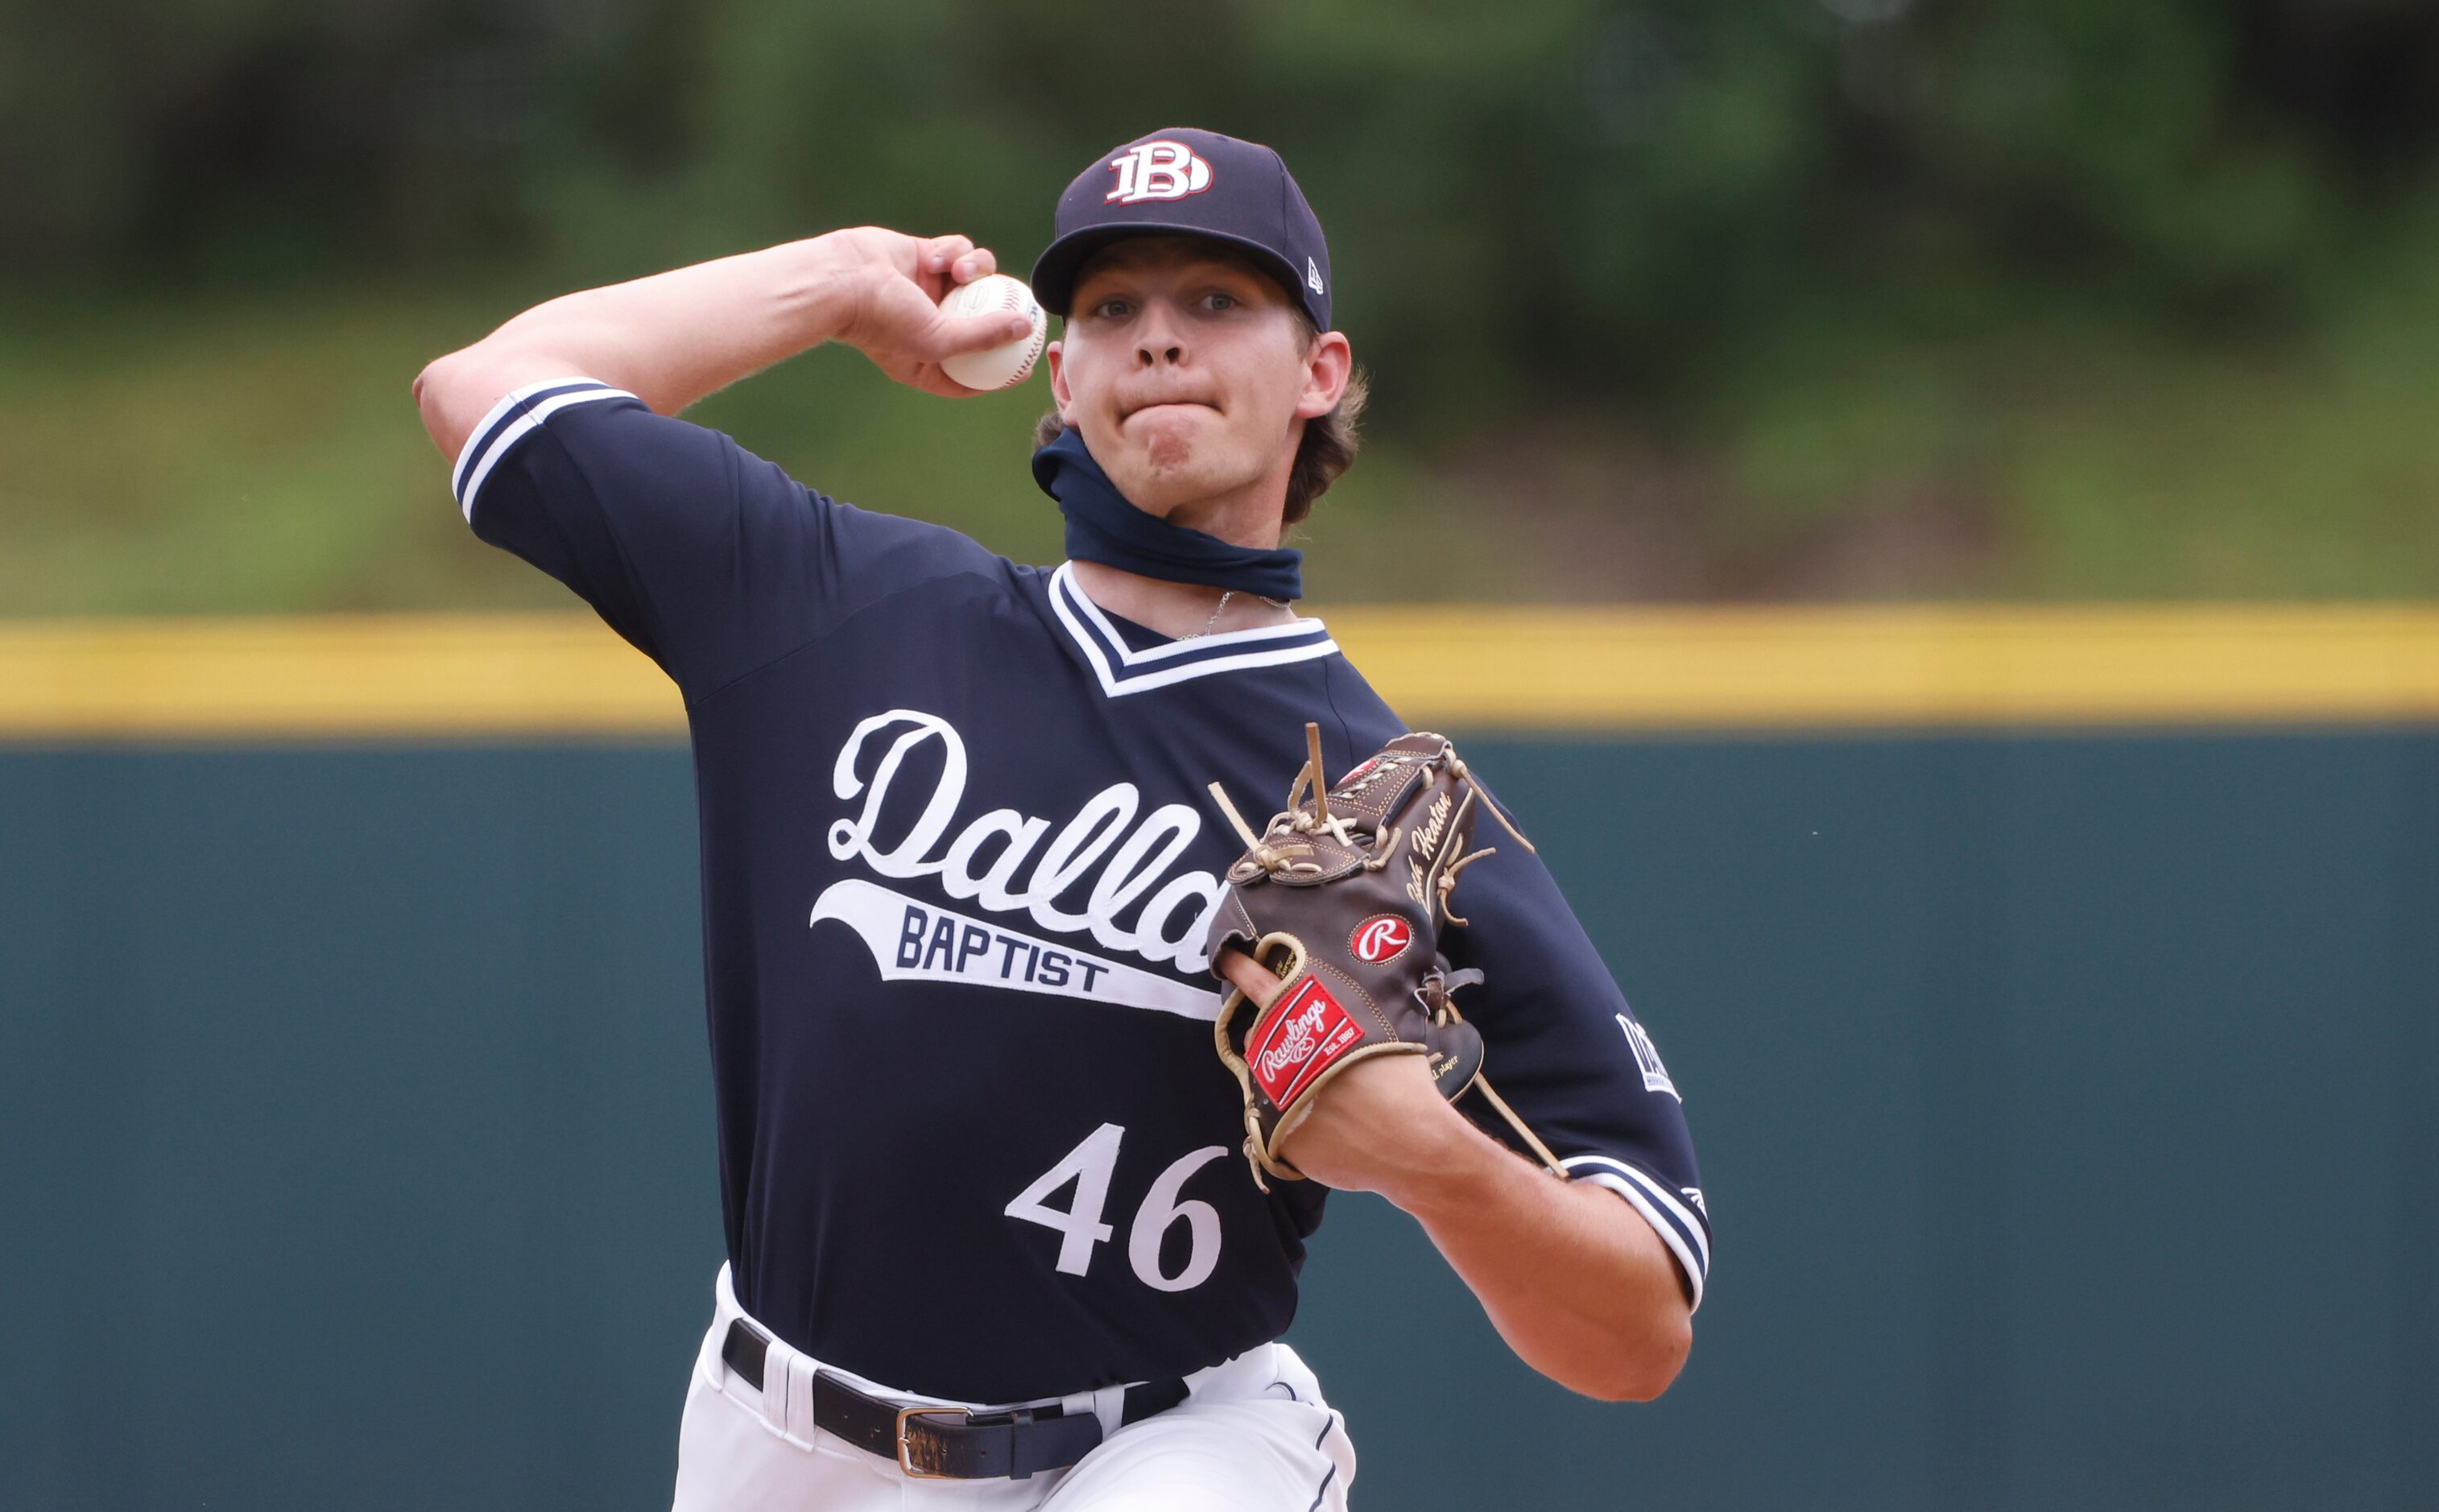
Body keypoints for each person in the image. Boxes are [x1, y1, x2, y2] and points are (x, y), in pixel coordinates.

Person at [412, 126, 1705, 1511]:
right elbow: (483, 389)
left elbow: (1637, 1330)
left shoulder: (1390, 805)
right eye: (1110, 308)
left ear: (1316, 374)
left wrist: (1433, 1160)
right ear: (1058, 372)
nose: (1158, 339)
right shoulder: (834, 608)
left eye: (1215, 299)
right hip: (775, 1438)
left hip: (1167, 1446)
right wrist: (841, 281)